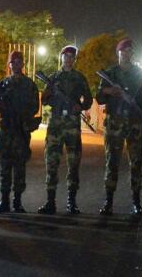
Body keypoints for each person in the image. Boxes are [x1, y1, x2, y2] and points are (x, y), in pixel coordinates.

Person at [96, 38, 142, 215]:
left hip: (135, 124)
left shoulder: (141, 74)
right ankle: (108, 202)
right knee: (111, 162)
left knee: (136, 163)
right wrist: (110, 91)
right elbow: (99, 97)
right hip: (115, 123)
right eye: (123, 51)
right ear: (118, 53)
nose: (126, 54)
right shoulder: (110, 74)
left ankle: (136, 203)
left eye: (129, 51)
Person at [39, 44, 93, 214]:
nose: (69, 58)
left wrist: (81, 106)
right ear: (61, 57)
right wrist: (46, 94)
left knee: (73, 163)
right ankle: (50, 202)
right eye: (66, 55)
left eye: (72, 56)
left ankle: (72, 202)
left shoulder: (79, 78)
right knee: (51, 162)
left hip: (72, 125)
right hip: (55, 124)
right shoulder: (53, 78)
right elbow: (45, 100)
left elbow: (89, 99)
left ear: (74, 59)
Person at [0, 51, 40, 213]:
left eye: (19, 61)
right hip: (6, 130)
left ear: (23, 64)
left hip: (20, 130)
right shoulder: (3, 84)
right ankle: (4, 201)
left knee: (20, 167)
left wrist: (22, 115)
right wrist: (3, 104)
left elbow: (34, 107)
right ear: (9, 64)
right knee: (4, 166)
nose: (16, 64)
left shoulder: (29, 84)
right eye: (13, 62)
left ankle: (17, 202)